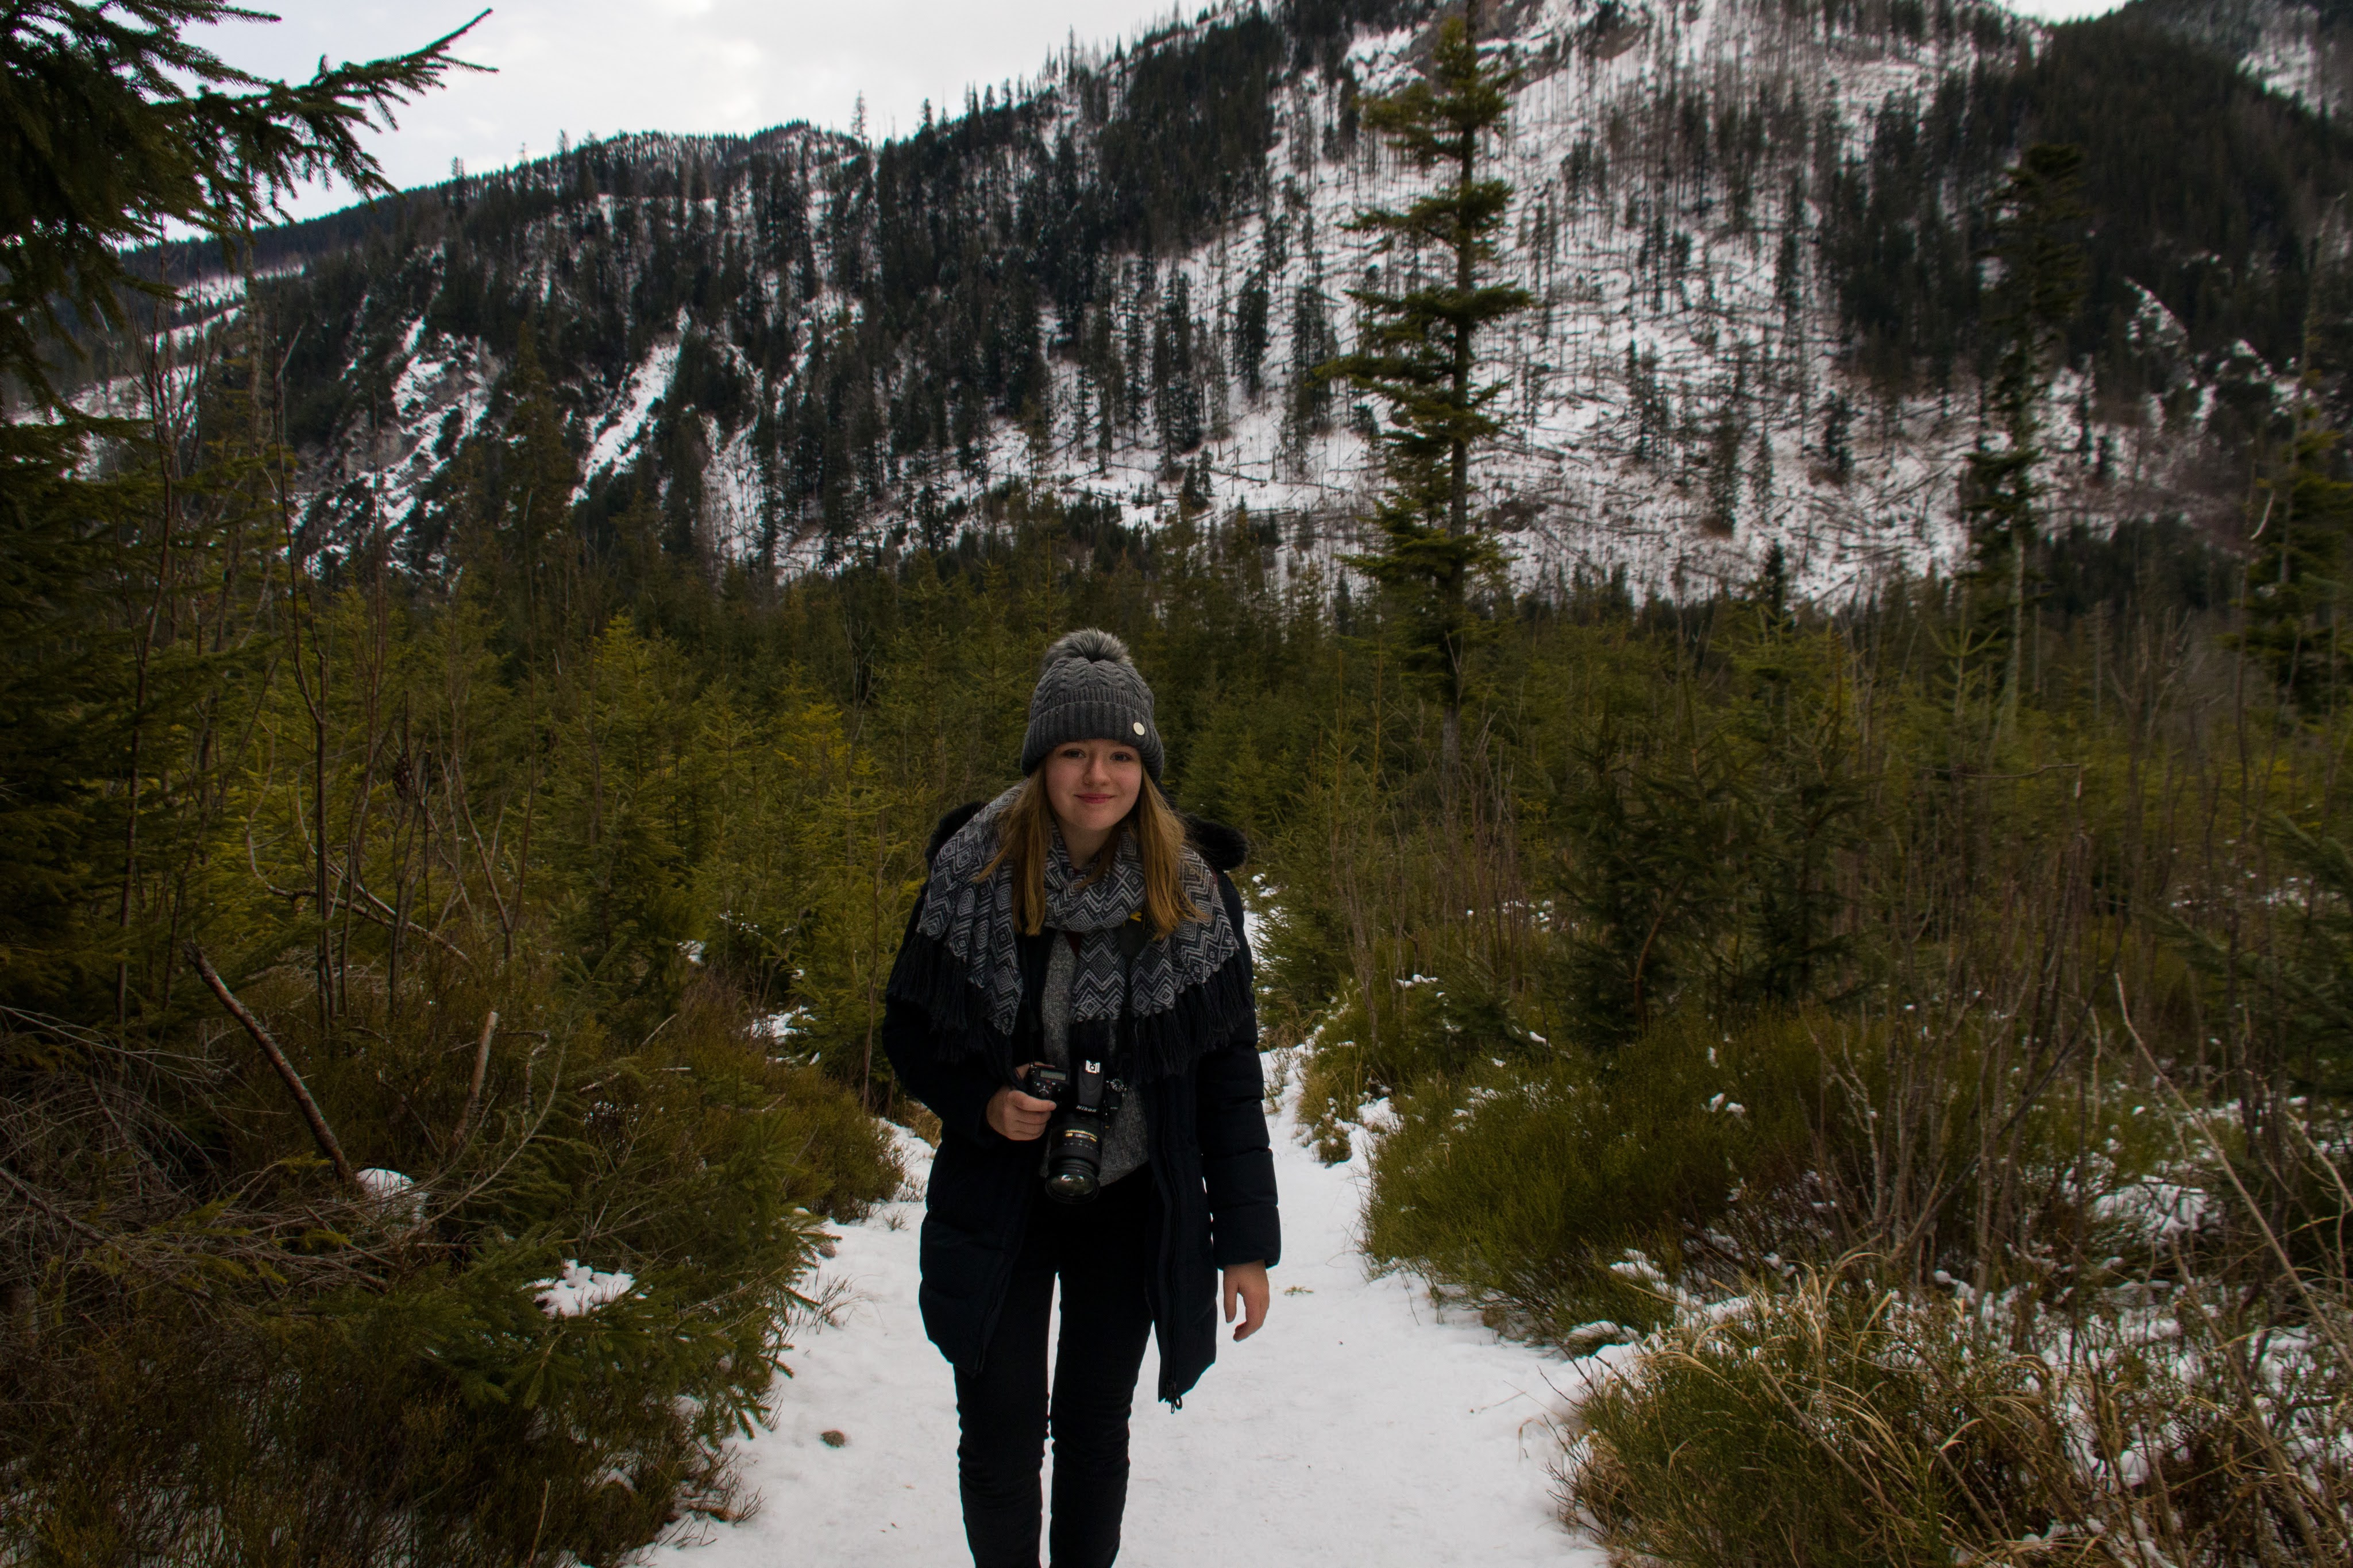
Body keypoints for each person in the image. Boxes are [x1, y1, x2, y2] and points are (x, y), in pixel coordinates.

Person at [882, 628, 1280, 1568]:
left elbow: (1229, 1079)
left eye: (1119, 754)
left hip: (1133, 1197)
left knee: (1096, 1429)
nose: (1097, 776)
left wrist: (1247, 1245)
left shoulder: (1195, 894)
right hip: (1001, 1191)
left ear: (1145, 764)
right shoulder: (972, 873)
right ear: (1041, 760)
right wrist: (985, 1102)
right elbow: (910, 1029)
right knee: (1000, 1430)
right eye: (1073, 751)